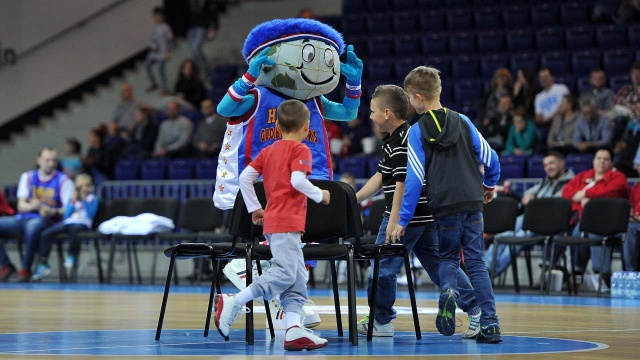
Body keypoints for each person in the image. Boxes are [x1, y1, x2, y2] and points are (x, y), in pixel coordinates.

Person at [354, 85, 482, 339]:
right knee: (439, 266)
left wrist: (394, 220)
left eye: (372, 111)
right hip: (426, 215)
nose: (369, 116)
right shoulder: (396, 138)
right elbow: (381, 177)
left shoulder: (402, 140)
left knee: (382, 267)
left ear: (387, 113)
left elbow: (401, 182)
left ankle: (381, 320)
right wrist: (353, 199)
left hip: (405, 217)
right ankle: (475, 309)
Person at [391, 66, 502, 343]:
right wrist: (489, 186)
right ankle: (490, 324)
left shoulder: (416, 132)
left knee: (449, 258)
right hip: (473, 201)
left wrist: (402, 220)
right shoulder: (463, 120)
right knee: (476, 262)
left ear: (417, 98)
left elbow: (414, 180)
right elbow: (492, 158)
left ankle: (448, 293)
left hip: (444, 206)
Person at [214, 99, 330, 351]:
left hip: (276, 223)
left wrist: (255, 207)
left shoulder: (268, 151)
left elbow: (245, 178)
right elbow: (298, 181)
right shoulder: (302, 150)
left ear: (277, 125)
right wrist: (320, 194)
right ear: (307, 126)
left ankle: (293, 330)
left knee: (298, 280)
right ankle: (234, 300)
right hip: (286, 223)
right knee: (287, 273)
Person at [484, 151, 575, 278]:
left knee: (518, 237)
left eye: (552, 163)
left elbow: (556, 204)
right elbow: (528, 194)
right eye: (545, 165)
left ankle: (491, 272)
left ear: (561, 162)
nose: (548, 167)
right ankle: (484, 269)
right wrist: (528, 196)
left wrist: (534, 201)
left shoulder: (572, 182)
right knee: (504, 234)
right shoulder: (546, 181)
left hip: (550, 224)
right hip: (532, 218)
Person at [0, 148, 73, 282]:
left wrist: (52, 211)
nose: (50, 163)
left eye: (54, 160)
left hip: (47, 220)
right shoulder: (28, 177)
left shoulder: (64, 181)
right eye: (47, 160)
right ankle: (6, 265)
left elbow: (67, 210)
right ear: (39, 160)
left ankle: (25, 269)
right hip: (23, 218)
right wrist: (33, 206)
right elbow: (21, 206)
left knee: (33, 228)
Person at [562, 147, 628, 286]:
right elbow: (566, 191)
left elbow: (611, 191)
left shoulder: (618, 177)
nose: (601, 162)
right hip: (583, 219)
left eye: (606, 159)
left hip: (610, 221)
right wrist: (583, 197)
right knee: (576, 232)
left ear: (612, 162)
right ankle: (577, 273)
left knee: (592, 230)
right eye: (599, 158)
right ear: (593, 161)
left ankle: (602, 274)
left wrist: (585, 194)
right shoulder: (584, 175)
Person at [32, 174, 99, 281]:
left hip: (83, 224)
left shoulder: (92, 199)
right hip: (68, 223)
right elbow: (66, 215)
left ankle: (70, 254)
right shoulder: (72, 199)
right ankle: (43, 261)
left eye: (86, 185)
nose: (83, 188)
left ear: (90, 187)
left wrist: (84, 199)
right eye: (80, 186)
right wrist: (73, 200)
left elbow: (91, 214)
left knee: (74, 230)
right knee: (46, 233)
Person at [186, 0, 220, 81]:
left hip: (202, 26)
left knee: (195, 49)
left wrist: (214, 28)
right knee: (193, 52)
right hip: (191, 27)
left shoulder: (207, 2)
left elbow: (214, 13)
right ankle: (197, 74)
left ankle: (207, 69)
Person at [145, 6, 174, 94]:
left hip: (164, 53)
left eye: (159, 16)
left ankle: (165, 88)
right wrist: (152, 46)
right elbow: (151, 39)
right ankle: (153, 83)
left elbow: (170, 40)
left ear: (162, 17)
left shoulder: (166, 27)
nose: (157, 18)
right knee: (147, 65)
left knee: (161, 70)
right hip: (155, 52)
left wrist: (169, 52)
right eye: (155, 16)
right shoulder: (153, 27)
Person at [625, 182, 640, 271]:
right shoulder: (636, 187)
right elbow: (630, 206)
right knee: (628, 228)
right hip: (635, 223)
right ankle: (630, 274)